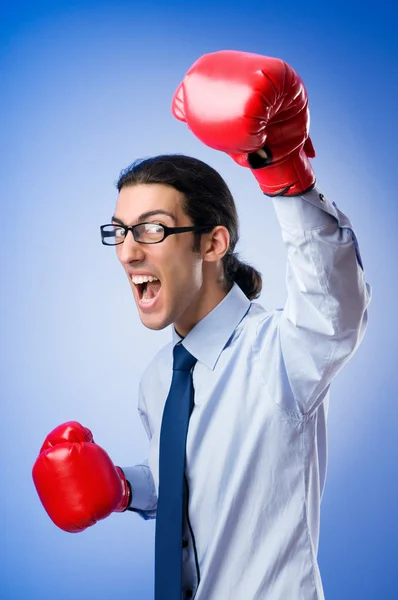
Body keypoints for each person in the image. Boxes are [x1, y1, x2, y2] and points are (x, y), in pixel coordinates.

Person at [32, 51, 371, 600]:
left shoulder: (283, 352)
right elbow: (184, 489)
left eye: (152, 230)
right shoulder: (158, 380)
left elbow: (337, 302)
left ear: (212, 243)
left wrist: (282, 168)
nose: (127, 252)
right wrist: (122, 487)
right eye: (118, 232)